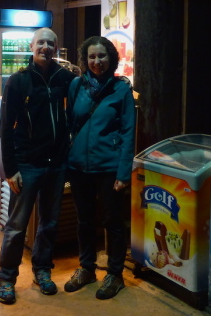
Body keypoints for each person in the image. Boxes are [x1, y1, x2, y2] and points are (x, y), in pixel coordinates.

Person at [0, 27, 76, 305]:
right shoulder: (18, 81)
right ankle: (6, 278)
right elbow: (5, 128)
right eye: (40, 42)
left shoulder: (64, 78)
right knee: (16, 226)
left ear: (56, 48)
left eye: (50, 43)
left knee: (50, 222)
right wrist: (10, 169)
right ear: (32, 46)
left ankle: (42, 271)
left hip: (56, 163)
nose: (45, 46)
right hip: (27, 163)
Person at [63, 36, 136, 300]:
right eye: (92, 57)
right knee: (84, 221)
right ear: (85, 60)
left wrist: (123, 172)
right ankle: (87, 268)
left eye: (102, 56)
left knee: (112, 221)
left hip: (109, 167)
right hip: (79, 167)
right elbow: (71, 122)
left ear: (111, 59)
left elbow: (129, 133)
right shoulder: (76, 86)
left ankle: (115, 274)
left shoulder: (121, 90)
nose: (97, 62)